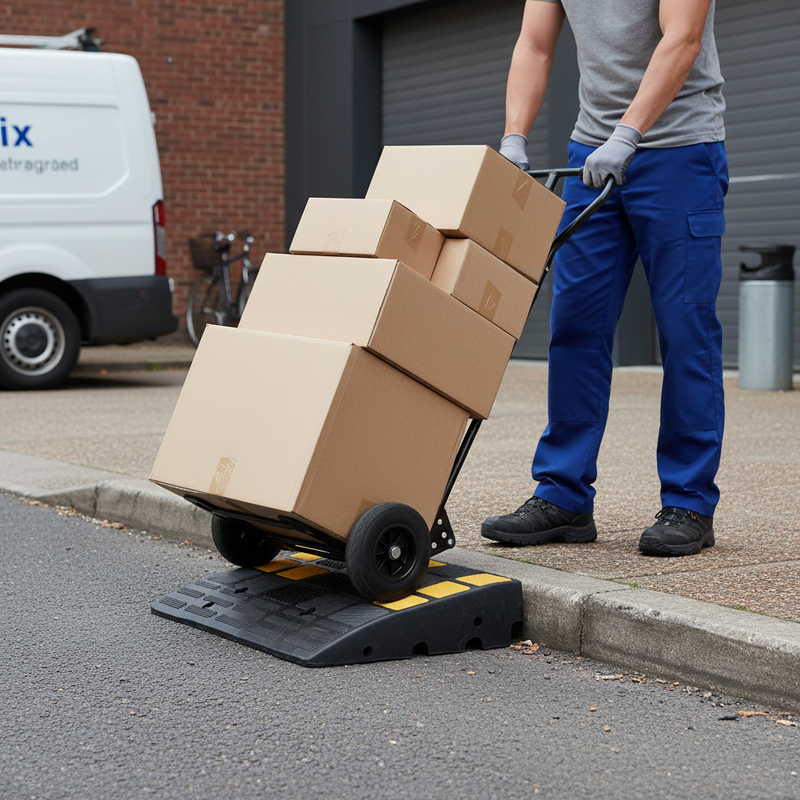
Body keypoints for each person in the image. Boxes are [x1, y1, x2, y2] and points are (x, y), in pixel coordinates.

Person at [482, 0, 728, 557]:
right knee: (575, 325)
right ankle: (562, 495)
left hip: (681, 153)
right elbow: (534, 45)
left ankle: (689, 501)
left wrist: (628, 134)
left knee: (686, 331)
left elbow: (683, 39)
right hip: (590, 154)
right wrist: (514, 138)